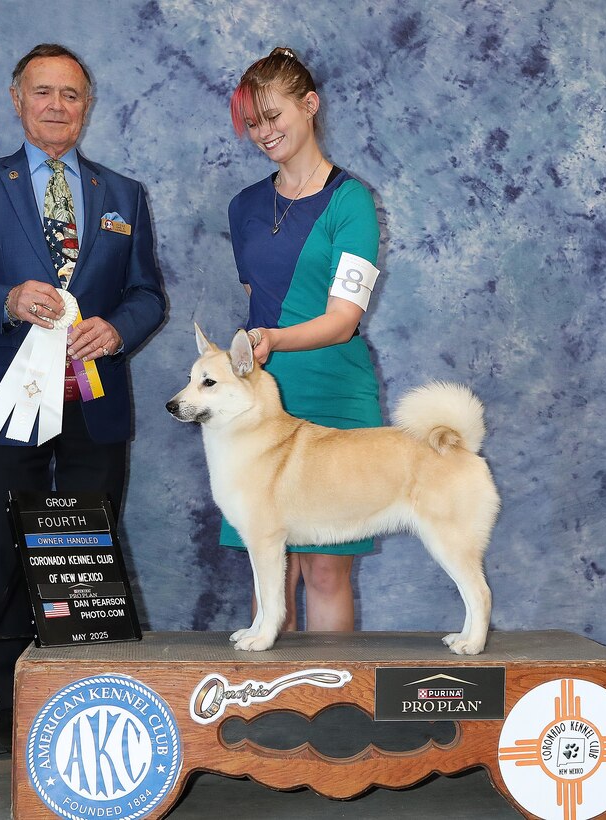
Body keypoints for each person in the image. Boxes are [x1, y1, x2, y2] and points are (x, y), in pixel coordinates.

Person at [0, 43, 165, 756]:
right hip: (10, 404)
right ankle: (12, 703)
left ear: (86, 106)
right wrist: (6, 299)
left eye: (71, 94)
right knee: (9, 548)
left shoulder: (122, 195)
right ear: (16, 98)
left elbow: (147, 294)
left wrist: (115, 329)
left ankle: (87, 693)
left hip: (95, 398)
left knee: (87, 549)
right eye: (43, 92)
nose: (57, 105)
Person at [223, 47, 383, 635]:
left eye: (273, 115)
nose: (264, 132)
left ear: (310, 105)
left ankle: (332, 716)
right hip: (261, 399)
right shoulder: (243, 207)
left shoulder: (352, 201)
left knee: (324, 572)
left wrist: (269, 338)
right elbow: (256, 290)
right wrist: (262, 345)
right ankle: (273, 716)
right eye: (254, 122)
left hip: (335, 392)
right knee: (271, 569)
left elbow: (343, 318)